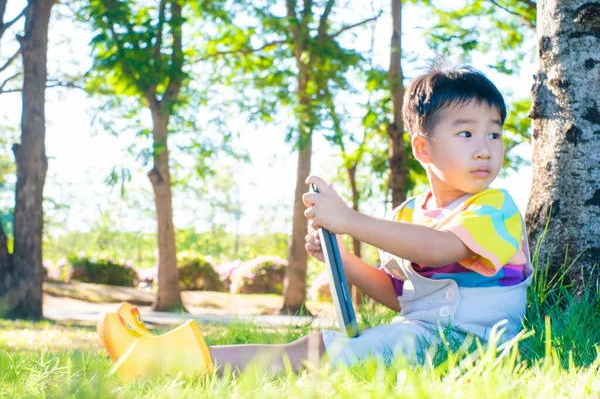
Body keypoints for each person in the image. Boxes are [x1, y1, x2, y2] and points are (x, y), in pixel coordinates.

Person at [99, 64, 533, 378]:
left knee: (317, 351)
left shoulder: (495, 206)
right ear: (422, 148)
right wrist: (340, 259)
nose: (484, 148)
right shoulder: (407, 215)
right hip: (420, 338)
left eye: (494, 133)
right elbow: (397, 294)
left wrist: (349, 220)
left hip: (471, 348)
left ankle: (169, 362)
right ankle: (168, 356)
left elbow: (441, 249)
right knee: (311, 348)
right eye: (466, 133)